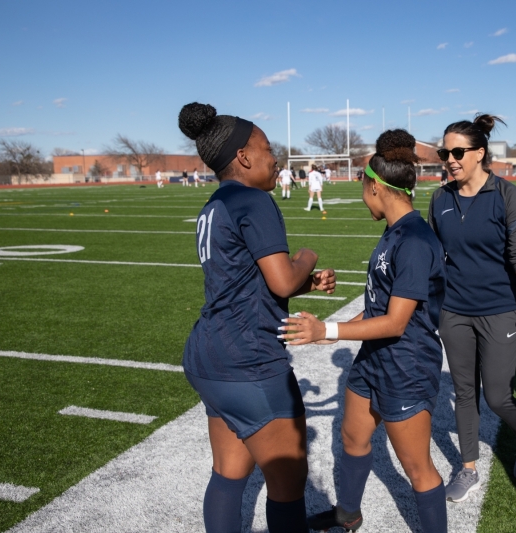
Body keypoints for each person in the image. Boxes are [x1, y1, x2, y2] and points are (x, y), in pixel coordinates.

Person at [177, 102, 336, 533]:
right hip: (248, 358)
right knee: (288, 487)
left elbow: (246, 279)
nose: (275, 157)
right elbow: (282, 281)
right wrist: (307, 258)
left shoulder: (216, 203)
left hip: (208, 354)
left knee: (229, 474)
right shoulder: (253, 200)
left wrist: (305, 282)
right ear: (244, 157)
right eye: (267, 148)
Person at [283, 129, 448, 533]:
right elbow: (376, 309)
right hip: (374, 359)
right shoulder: (393, 232)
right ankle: (348, 514)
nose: (362, 197)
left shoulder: (414, 240)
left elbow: (396, 322)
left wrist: (331, 329)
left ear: (374, 187)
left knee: (417, 468)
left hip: (406, 366)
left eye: (362, 187)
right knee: (353, 438)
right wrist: (324, 334)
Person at [428, 114, 516, 503]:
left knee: (498, 397)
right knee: (464, 391)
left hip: (499, 310)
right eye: (444, 152)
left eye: (457, 151)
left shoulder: (505, 195)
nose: (449, 159)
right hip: (454, 312)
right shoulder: (440, 198)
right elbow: (435, 257)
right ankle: (467, 468)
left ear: (479, 153)